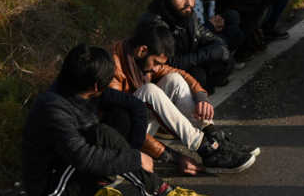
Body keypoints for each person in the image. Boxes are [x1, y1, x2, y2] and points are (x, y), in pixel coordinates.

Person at [21, 43, 212, 196]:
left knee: (117, 118)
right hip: (54, 194)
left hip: (72, 172)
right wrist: (135, 159)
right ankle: (162, 195)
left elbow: (135, 105)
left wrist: (136, 149)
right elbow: (82, 157)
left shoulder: (78, 86)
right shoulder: (53, 108)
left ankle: (96, 194)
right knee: (100, 133)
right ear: (96, 86)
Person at [110, 23, 257, 175]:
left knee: (174, 79)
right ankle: (204, 147)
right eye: (155, 63)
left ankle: (213, 137)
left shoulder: (138, 56)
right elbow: (121, 125)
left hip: (140, 122)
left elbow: (180, 74)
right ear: (142, 50)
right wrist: (174, 157)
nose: (155, 68)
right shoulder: (113, 67)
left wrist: (201, 98)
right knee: (149, 90)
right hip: (124, 136)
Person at [138, 0, 233, 92]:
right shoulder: (155, 23)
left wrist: (219, 48)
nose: (189, 3)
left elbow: (209, 37)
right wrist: (207, 54)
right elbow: (166, 63)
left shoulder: (188, 14)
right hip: (166, 72)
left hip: (189, 59)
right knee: (199, 75)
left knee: (226, 58)